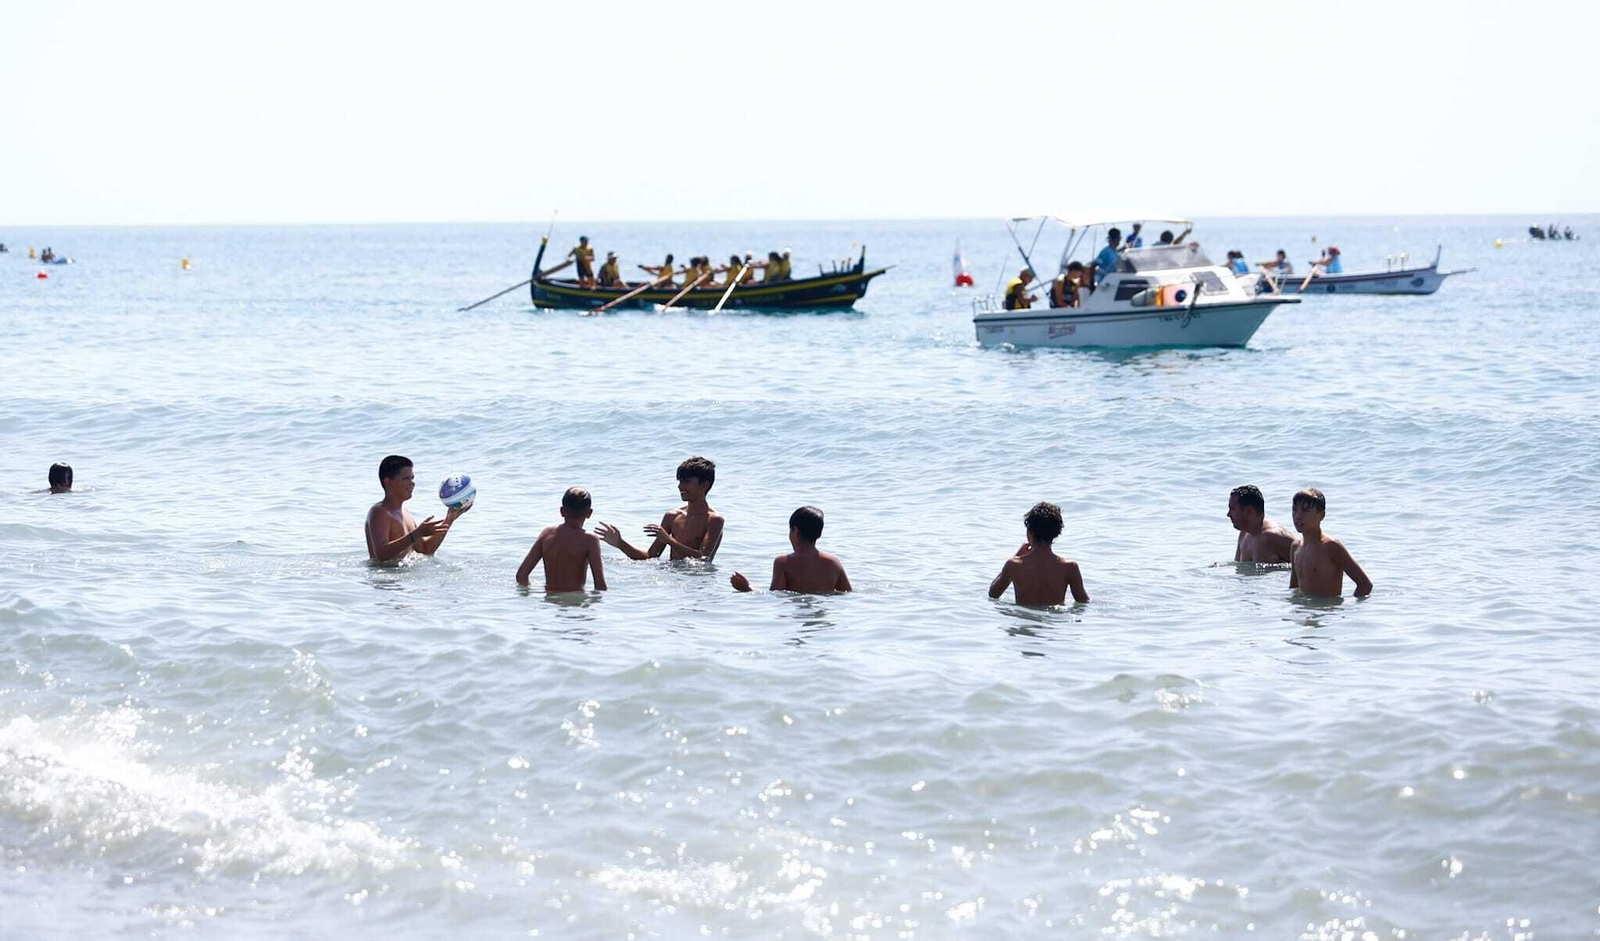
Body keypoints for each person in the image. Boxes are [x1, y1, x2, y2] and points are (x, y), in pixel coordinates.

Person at [596, 456, 724, 562]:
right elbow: (650, 556)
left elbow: (703, 559)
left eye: (687, 482)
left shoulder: (714, 520)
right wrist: (620, 543)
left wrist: (670, 541)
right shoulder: (672, 517)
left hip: (699, 584)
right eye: (679, 481)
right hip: (674, 580)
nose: (680, 486)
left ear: (704, 485)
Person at [364, 455, 469, 562]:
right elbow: (381, 554)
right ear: (388, 482)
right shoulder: (379, 512)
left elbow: (425, 549)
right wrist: (417, 533)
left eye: (412, 478)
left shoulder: (406, 513)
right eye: (406, 478)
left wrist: (450, 518)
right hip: (385, 577)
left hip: (404, 576)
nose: (412, 483)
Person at [730, 505, 851, 594]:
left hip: (796, 617)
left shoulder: (783, 562)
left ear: (795, 531)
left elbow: (776, 596)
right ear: (819, 534)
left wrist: (747, 588)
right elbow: (847, 593)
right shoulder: (833, 563)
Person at [987, 501, 1089, 606]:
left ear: (1030, 532)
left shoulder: (1013, 565)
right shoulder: (1070, 567)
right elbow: (1083, 601)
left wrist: (1016, 556)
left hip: (1024, 619)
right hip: (1054, 621)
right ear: (1056, 533)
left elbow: (993, 594)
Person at [516, 487, 608, 592]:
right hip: (574, 603)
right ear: (589, 513)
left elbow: (521, 576)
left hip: (549, 603)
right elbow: (600, 585)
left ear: (562, 511)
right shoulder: (590, 540)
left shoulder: (547, 533)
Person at [1288, 488, 1372, 597]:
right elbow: (1294, 589)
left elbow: (1365, 584)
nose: (1298, 516)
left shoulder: (1331, 547)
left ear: (1321, 515)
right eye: (1294, 509)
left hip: (1327, 613)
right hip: (1304, 612)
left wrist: (1347, 609)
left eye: (1305, 511)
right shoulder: (1295, 547)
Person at [1227, 484, 1297, 563]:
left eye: (1232, 509)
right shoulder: (1244, 534)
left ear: (1249, 512)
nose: (1228, 514)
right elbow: (1238, 566)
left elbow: (1306, 563)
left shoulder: (1272, 536)